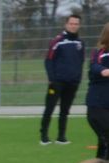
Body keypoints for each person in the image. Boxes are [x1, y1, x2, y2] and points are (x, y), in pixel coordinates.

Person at [41, 15, 84, 145]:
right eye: (71, 23)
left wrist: (77, 78)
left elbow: (80, 61)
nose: (73, 26)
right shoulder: (57, 41)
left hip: (72, 82)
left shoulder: (80, 43)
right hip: (57, 82)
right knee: (50, 108)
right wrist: (52, 79)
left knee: (65, 110)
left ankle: (61, 137)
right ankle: (44, 136)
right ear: (66, 25)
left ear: (79, 25)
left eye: (76, 24)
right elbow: (48, 60)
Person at [86, 24, 109, 160]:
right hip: (98, 107)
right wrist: (103, 71)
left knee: (104, 143)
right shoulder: (100, 53)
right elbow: (95, 66)